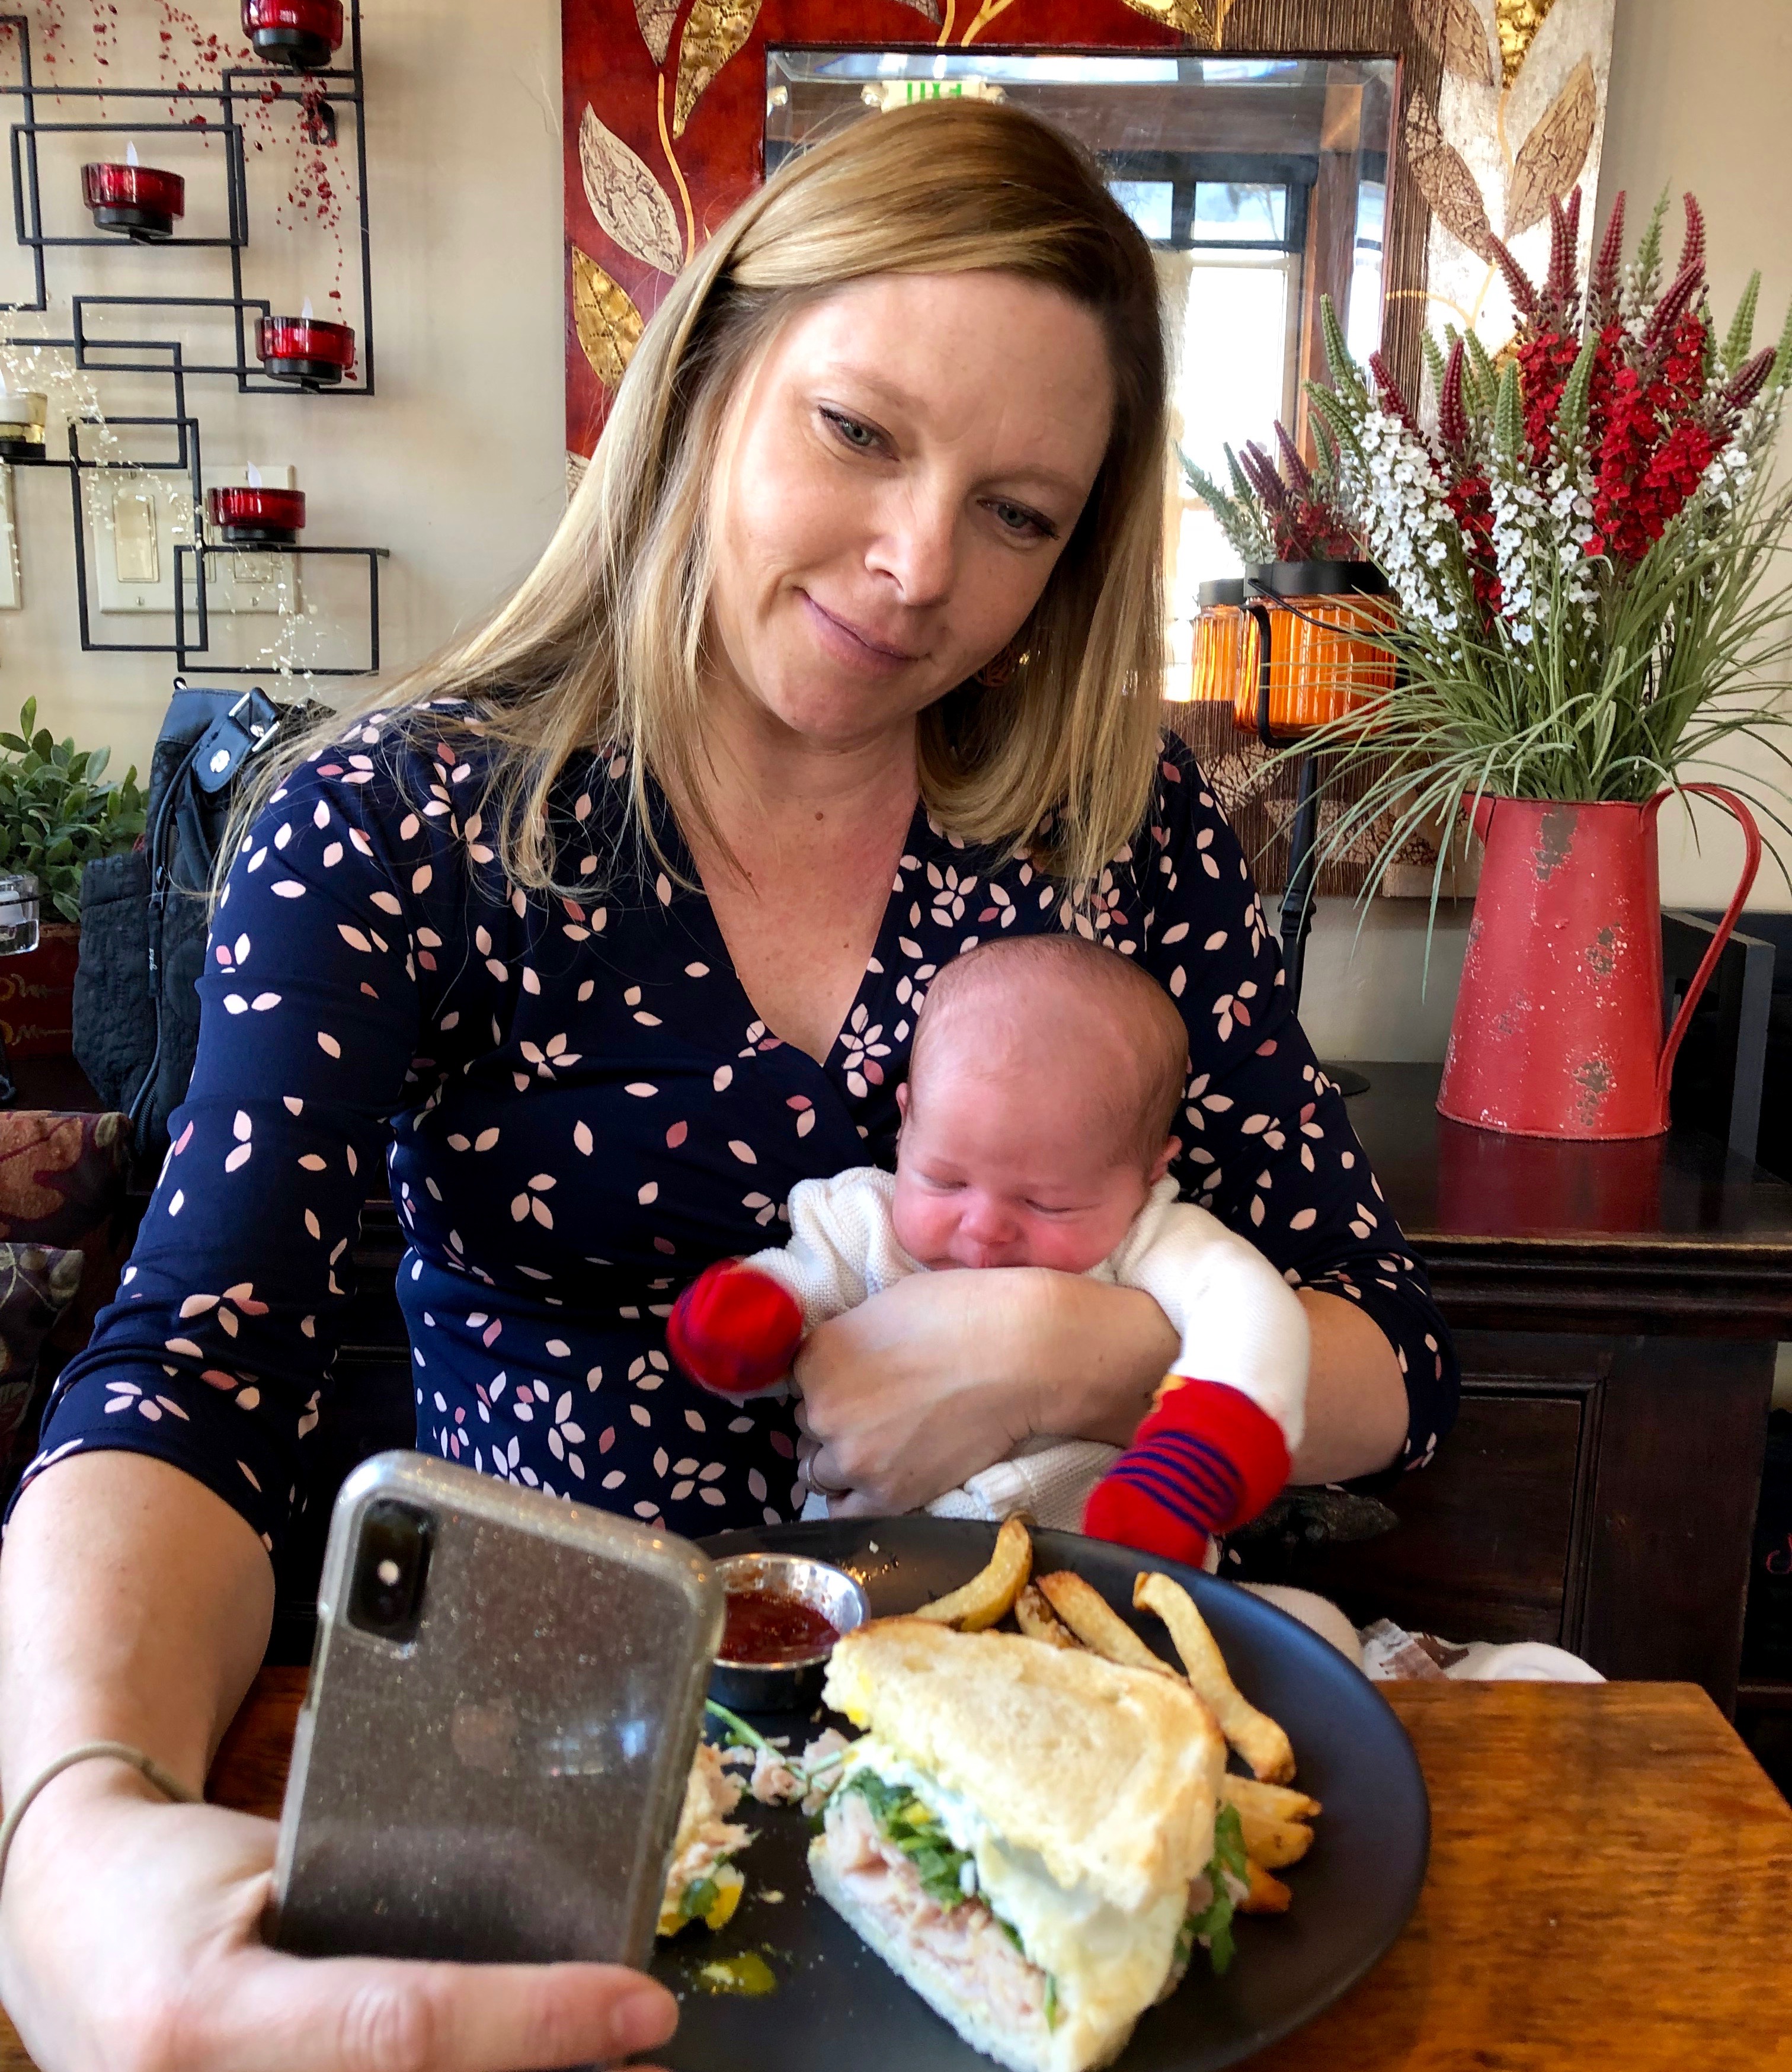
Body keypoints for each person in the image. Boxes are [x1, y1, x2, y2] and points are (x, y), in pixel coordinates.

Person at [0, 101, 1457, 2072]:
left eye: (1019, 513)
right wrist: (69, 1825)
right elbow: (192, 1369)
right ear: (698, 383)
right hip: (549, 1775)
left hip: (1040, 1796)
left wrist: (1082, 1350)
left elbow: (1392, 1363)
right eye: (858, 431)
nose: (917, 563)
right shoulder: (393, 826)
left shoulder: (1129, 843)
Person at [667, 932, 1310, 1567]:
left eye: (1046, 1203)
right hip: (865, 1581)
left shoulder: (1146, 1237)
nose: (983, 1228)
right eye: (945, 1180)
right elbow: (799, 1294)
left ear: (1149, 1171)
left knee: (1316, 1620)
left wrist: (1202, 1448)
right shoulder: (867, 1223)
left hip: (1095, 1584)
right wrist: (745, 1326)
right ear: (905, 1124)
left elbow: (1246, 1302)